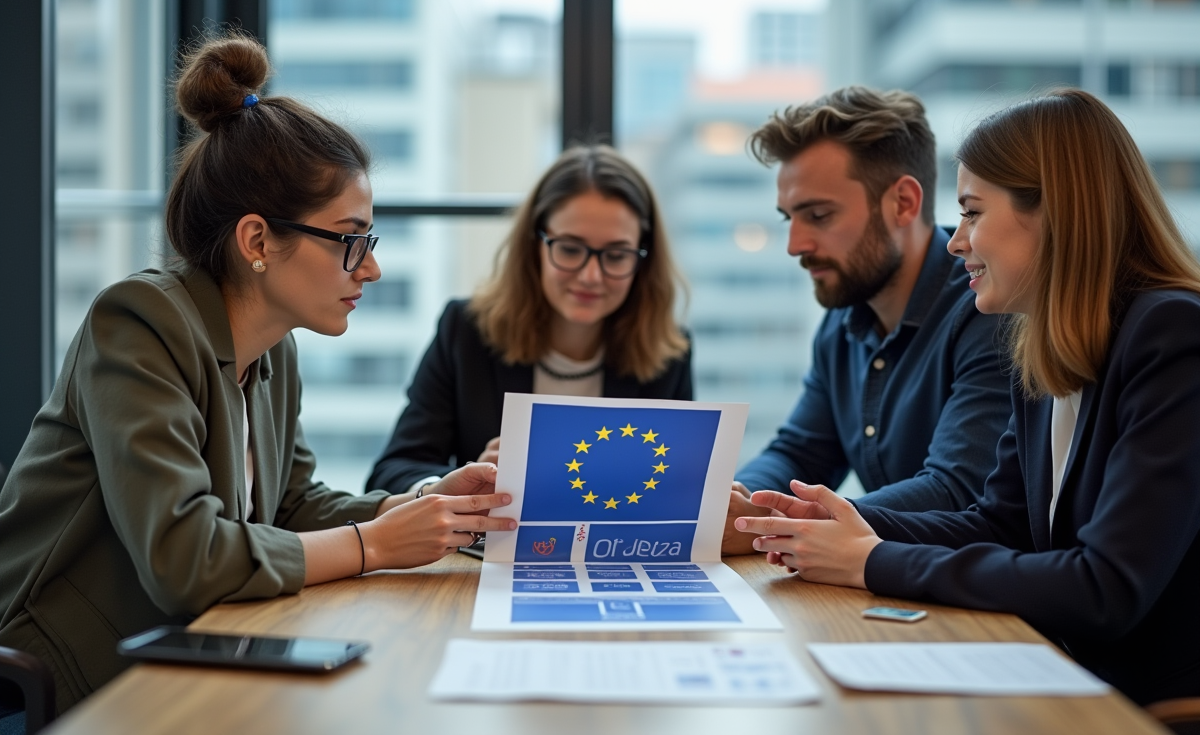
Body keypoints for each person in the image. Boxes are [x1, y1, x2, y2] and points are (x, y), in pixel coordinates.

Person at [0, 35, 515, 715]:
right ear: (257, 241)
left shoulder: (272, 348)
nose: (370, 268)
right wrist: (373, 544)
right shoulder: (137, 323)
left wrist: (413, 507)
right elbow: (185, 560)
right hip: (66, 666)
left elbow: (292, 506)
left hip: (192, 641)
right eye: (350, 240)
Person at [734, 89, 1200, 705]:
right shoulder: (1045, 343)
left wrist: (868, 559)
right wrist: (809, 521)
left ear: (1055, 212)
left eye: (974, 213)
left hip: (1149, 707)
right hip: (1069, 680)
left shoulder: (1171, 335)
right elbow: (997, 522)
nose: (957, 242)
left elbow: (1104, 588)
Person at [723, 86, 1011, 554]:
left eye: (818, 215)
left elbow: (957, 491)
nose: (795, 244)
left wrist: (788, 523)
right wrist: (737, 502)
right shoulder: (844, 320)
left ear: (902, 202)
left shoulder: (990, 309)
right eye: (788, 219)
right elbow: (801, 452)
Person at [366, 145, 692, 496]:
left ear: (643, 259)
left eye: (616, 255)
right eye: (569, 249)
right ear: (534, 245)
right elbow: (391, 473)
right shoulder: (466, 331)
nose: (591, 276)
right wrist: (452, 487)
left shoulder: (668, 351)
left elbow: (676, 485)